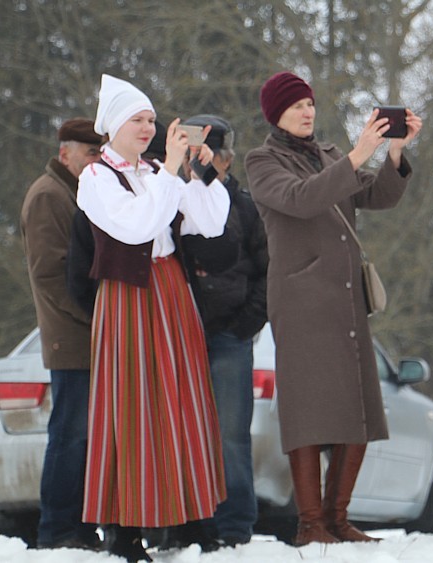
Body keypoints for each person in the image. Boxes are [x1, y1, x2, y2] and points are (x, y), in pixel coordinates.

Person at [244, 71, 422, 546]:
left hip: (346, 299)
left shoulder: (329, 154)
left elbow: (378, 195)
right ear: (276, 113)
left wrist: (395, 151)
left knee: (359, 405)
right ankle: (311, 524)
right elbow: (301, 200)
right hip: (300, 300)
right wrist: (360, 153)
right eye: (297, 106)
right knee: (307, 411)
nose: (308, 112)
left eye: (310, 104)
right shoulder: (261, 161)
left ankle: (338, 518)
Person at [76, 74, 229, 561]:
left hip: (170, 290)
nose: (147, 127)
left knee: (179, 402)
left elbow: (211, 222)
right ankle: (123, 526)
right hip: (128, 296)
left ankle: (179, 515)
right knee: (132, 404)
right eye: (137, 120)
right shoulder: (95, 177)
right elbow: (137, 226)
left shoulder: (158, 171)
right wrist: (171, 173)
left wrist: (200, 174)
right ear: (114, 124)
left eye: (151, 120)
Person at [169, 114, 267, 548]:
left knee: (231, 434)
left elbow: (268, 269)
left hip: (231, 332)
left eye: (211, 157)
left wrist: (248, 321)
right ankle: (190, 521)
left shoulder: (244, 206)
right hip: (181, 329)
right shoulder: (172, 197)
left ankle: (234, 525)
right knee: (180, 429)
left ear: (225, 161)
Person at [20, 118, 103, 550]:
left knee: (85, 437)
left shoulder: (73, 192)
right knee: (69, 435)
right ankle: (57, 529)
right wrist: (97, 318)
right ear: (65, 152)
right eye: (90, 154)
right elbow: (51, 275)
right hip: (70, 337)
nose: (96, 162)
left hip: (84, 335)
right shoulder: (48, 196)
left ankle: (81, 527)